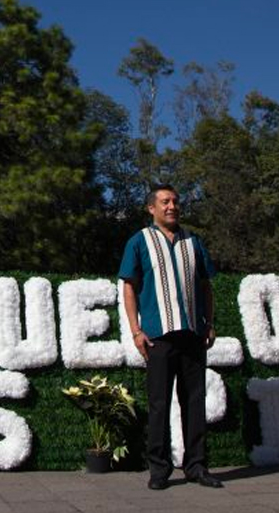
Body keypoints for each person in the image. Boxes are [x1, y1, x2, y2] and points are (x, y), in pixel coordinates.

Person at [119, 184, 224, 490]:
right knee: (159, 404)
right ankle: (159, 469)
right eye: (165, 202)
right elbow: (129, 287)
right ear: (151, 208)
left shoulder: (194, 241)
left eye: (175, 201)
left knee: (195, 402)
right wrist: (136, 330)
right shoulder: (139, 241)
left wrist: (209, 322)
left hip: (192, 333)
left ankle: (196, 466)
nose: (172, 206)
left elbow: (205, 285)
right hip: (158, 336)